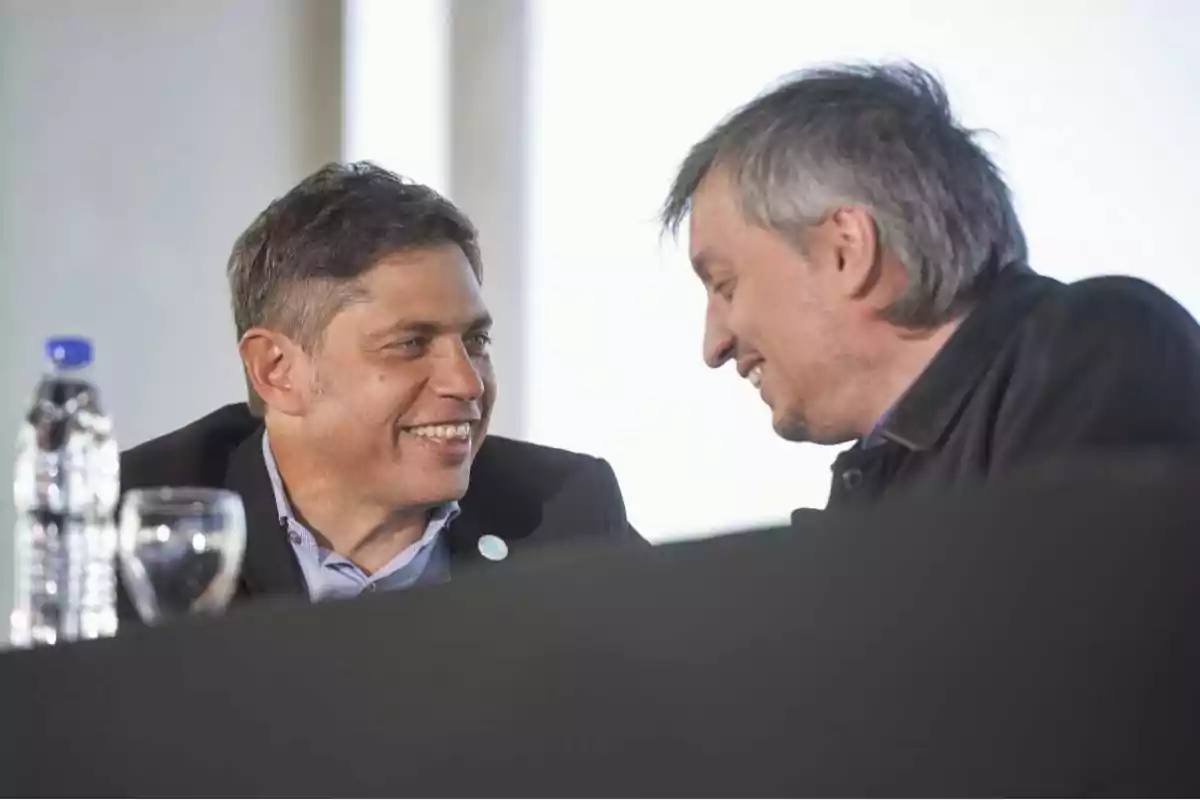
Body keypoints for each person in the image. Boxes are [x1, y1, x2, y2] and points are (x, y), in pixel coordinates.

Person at [661, 61, 1200, 510]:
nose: (714, 346)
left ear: (846, 250)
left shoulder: (1098, 350)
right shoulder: (883, 476)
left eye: (726, 285)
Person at [120, 162, 641, 612]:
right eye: (411, 343)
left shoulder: (565, 516)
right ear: (276, 369)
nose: (465, 382)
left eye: (476, 340)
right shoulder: (124, 534)